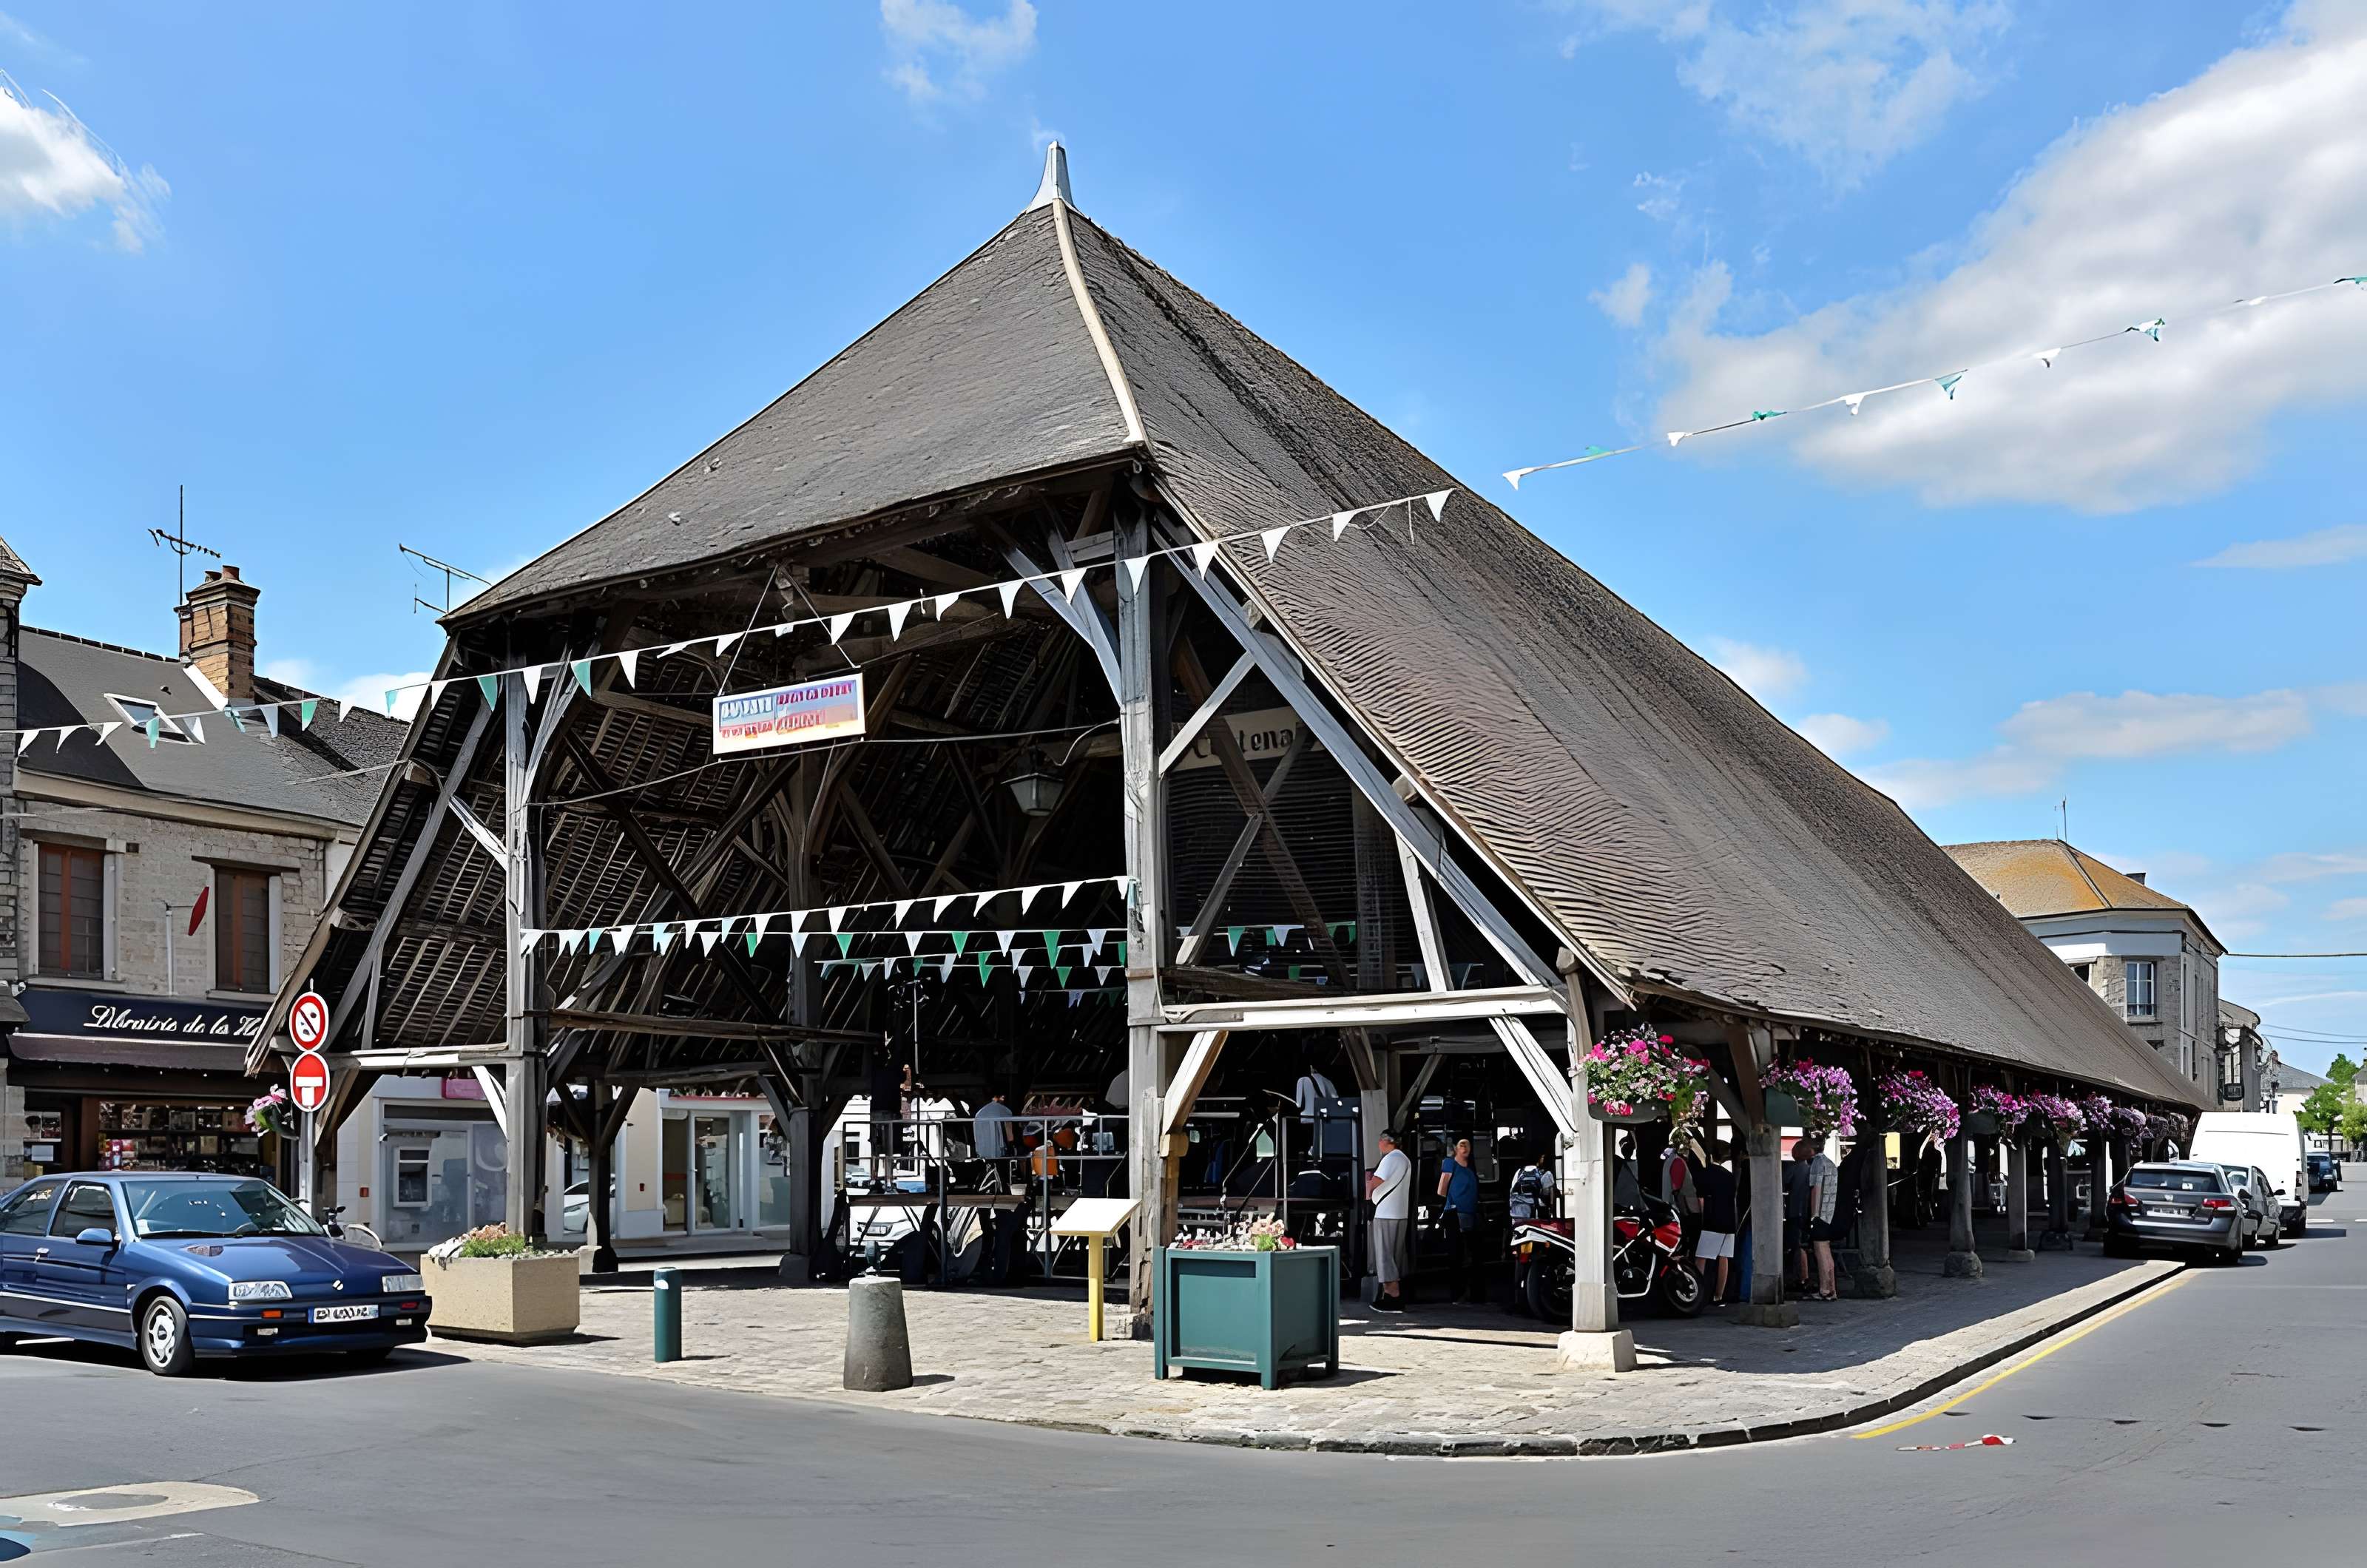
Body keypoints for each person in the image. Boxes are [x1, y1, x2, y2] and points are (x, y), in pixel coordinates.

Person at [1365, 1129, 1414, 1311]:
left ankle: (1392, 1296)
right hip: (1399, 1213)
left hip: (1386, 1213)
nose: (1378, 1144)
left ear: (1388, 1142)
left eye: (1380, 1141)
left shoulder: (1391, 1158)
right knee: (1396, 1254)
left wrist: (1369, 1188)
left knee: (1385, 1255)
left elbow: (1376, 1181)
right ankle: (1394, 1294)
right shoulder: (1404, 1159)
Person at [1436, 1137, 1483, 1304]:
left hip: (1470, 1214)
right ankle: (1457, 1293)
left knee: (1470, 1255)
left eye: (1468, 1144)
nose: (1465, 1147)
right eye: (1461, 1144)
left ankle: (1471, 1293)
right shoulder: (1450, 1164)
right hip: (1455, 1214)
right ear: (1455, 1148)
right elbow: (1441, 1189)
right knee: (1456, 1255)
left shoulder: (1470, 1170)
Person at [1692, 1140, 1738, 1305]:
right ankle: (1719, 1295)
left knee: (1701, 1258)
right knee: (1724, 1257)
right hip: (1729, 1220)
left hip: (1713, 1220)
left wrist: (1702, 1220)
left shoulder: (1707, 1173)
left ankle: (1697, 1293)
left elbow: (1702, 1200)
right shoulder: (1729, 1176)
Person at [1805, 1135, 1841, 1300]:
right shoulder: (1830, 1163)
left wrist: (1814, 1215)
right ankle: (1832, 1288)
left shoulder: (1817, 1164)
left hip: (1820, 1214)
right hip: (1830, 1213)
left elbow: (1816, 1189)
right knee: (1827, 1251)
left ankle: (1824, 1289)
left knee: (1820, 1252)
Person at [1783, 1140, 1812, 1289]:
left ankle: (1802, 1277)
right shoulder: (1810, 1169)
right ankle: (1803, 1277)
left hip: (1795, 1209)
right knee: (1802, 1244)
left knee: (1797, 1244)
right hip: (1806, 1210)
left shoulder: (1794, 1169)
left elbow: (1783, 1182)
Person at [1507, 1145, 1558, 1223]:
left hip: (1517, 1211)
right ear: (1539, 1158)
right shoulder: (1545, 1174)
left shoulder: (1519, 1172)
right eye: (1542, 1157)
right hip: (1533, 1212)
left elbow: (1512, 1191)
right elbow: (1548, 1194)